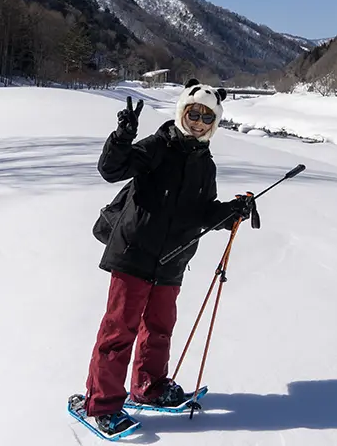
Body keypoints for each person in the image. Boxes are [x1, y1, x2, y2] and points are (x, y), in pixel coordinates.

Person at [71, 79, 259, 438]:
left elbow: (202, 212)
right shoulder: (159, 146)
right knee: (119, 331)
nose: (199, 121)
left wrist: (232, 211)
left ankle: (150, 386)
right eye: (193, 113)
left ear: (215, 122)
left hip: (172, 261)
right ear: (182, 112)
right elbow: (111, 170)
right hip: (135, 253)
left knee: (159, 329)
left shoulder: (206, 164)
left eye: (207, 116)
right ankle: (104, 404)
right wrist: (122, 137)